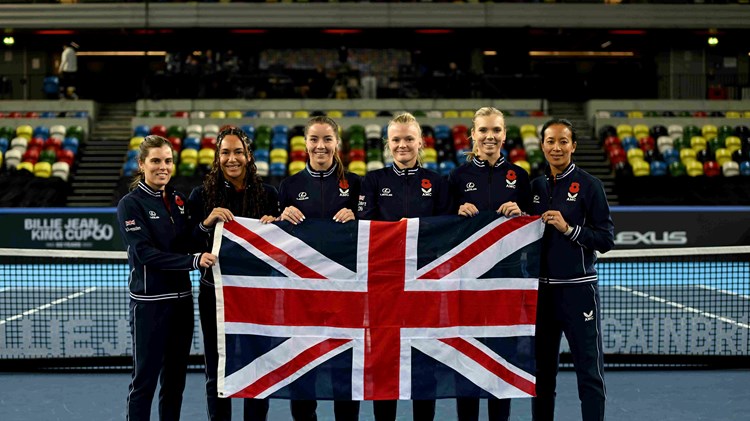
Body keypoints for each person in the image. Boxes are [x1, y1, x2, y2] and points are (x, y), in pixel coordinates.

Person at [357, 112, 451, 421]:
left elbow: (445, 232)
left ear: (421, 142)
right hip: (383, 288)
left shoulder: (438, 182)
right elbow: (366, 229)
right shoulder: (372, 180)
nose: (402, 145)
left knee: (426, 364)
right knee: (382, 363)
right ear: (387, 143)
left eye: (409, 138)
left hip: (425, 287)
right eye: (396, 139)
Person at [116, 135, 217, 421]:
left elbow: (186, 240)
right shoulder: (130, 204)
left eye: (168, 161)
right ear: (142, 164)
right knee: (144, 383)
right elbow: (146, 254)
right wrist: (194, 261)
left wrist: (205, 224)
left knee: (175, 383)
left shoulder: (177, 199)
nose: (163, 167)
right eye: (156, 161)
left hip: (182, 304)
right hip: (150, 306)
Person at [186, 126, 280, 421]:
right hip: (215, 297)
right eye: (225, 152)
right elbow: (185, 243)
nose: (232, 158)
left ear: (248, 155)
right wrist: (206, 222)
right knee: (217, 371)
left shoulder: (268, 195)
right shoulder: (200, 195)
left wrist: (275, 226)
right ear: (217, 157)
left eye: (238, 152)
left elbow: (283, 250)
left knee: (258, 368)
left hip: (259, 297)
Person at [447, 106, 532, 421]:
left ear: (505, 135)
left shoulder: (521, 177)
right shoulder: (456, 177)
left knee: (501, 363)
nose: (489, 136)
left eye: (496, 130)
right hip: (466, 284)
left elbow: (534, 228)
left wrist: (522, 216)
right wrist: (455, 215)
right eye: (483, 130)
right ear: (472, 135)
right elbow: (441, 230)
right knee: (466, 362)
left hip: (506, 283)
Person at [277, 116, 361, 420]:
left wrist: (359, 219)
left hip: (346, 294)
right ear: (305, 144)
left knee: (344, 374)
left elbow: (375, 233)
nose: (321, 146)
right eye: (314, 139)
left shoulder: (356, 184)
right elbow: (273, 238)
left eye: (327, 139)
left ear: (336, 143)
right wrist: (279, 217)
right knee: (303, 371)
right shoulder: (289, 186)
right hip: (304, 296)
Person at [530, 118, 614, 421]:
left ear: (573, 146)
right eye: (550, 141)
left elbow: (605, 239)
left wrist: (569, 229)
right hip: (542, 295)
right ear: (542, 145)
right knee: (541, 376)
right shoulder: (534, 187)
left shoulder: (591, 186)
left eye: (563, 141)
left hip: (578, 292)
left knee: (589, 373)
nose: (556, 147)